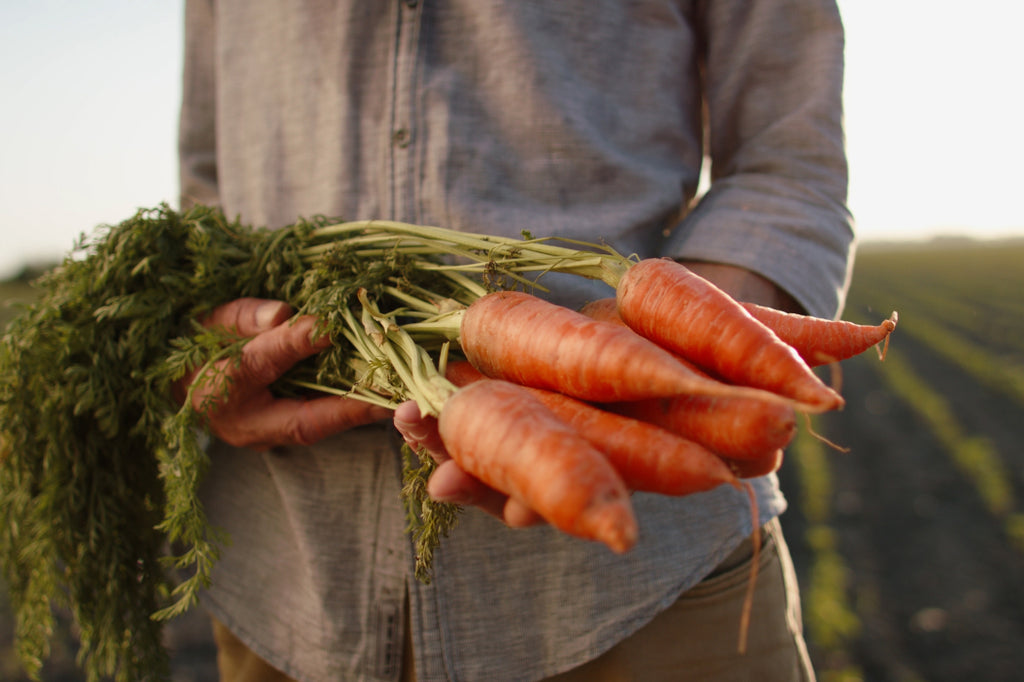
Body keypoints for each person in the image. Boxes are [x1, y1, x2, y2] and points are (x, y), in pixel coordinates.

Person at [177, 1, 854, 680]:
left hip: (653, 585)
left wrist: (674, 363)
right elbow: (205, 202)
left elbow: (787, 160)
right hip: (286, 578)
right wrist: (209, 351)